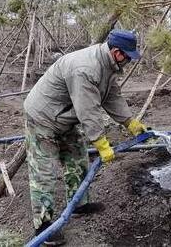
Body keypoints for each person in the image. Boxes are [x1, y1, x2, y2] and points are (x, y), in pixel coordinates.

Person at [24, 29, 148, 245]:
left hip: (64, 117)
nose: (129, 61)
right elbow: (88, 109)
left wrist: (130, 122)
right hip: (43, 118)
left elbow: (112, 97)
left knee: (77, 158)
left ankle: (79, 203)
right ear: (117, 52)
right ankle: (43, 227)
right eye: (128, 56)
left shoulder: (108, 65)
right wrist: (100, 142)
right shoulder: (85, 68)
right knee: (44, 171)